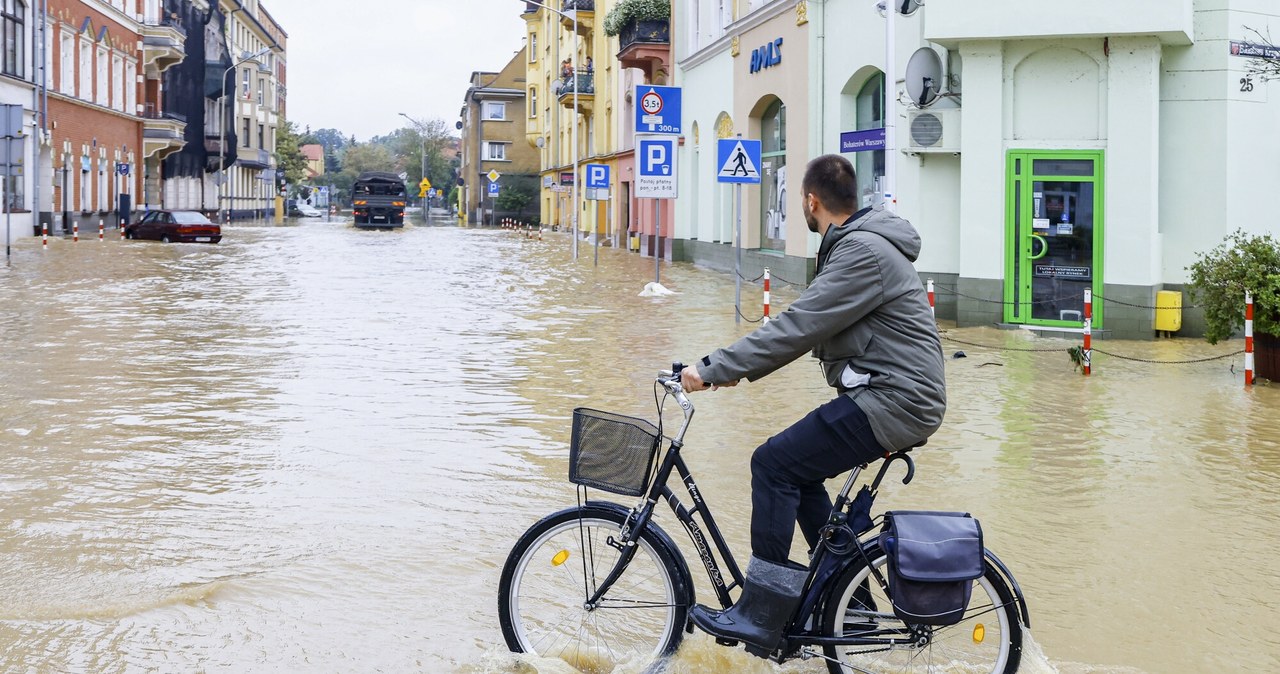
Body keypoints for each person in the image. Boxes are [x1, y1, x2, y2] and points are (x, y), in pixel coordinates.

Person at [680, 154, 946, 656]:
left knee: (773, 464)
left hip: (897, 400)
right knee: (797, 473)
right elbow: (811, 327)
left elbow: (798, 326)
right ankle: (857, 609)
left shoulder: (862, 253)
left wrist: (714, 367)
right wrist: (735, 370)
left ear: (810, 201)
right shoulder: (863, 244)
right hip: (894, 395)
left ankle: (760, 614)